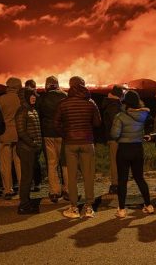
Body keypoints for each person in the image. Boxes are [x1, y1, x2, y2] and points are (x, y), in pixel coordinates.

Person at [54, 76, 101, 219]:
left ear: (70, 86)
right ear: (83, 85)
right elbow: (98, 123)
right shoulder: (90, 102)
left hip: (70, 144)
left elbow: (55, 124)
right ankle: (88, 207)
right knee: (88, 176)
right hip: (87, 142)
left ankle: (74, 208)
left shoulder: (63, 103)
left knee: (72, 177)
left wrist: (66, 133)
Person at [109, 90, 154, 217]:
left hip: (124, 149)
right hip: (138, 149)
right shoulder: (143, 115)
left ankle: (122, 210)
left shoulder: (120, 116)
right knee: (139, 178)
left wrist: (119, 138)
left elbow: (114, 134)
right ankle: (149, 205)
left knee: (122, 180)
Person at [38, 76, 68, 203]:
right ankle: (68, 190)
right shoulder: (65, 96)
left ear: (47, 85)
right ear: (57, 84)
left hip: (48, 134)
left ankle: (54, 192)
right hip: (62, 133)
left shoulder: (42, 98)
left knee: (52, 163)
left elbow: (39, 115)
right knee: (65, 163)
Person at [15, 87, 42, 214]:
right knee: (26, 177)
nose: (34, 97)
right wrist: (33, 144)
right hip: (26, 149)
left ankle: (26, 201)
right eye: (31, 95)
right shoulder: (22, 111)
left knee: (28, 176)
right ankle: (23, 205)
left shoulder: (32, 110)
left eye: (35, 95)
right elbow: (21, 132)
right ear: (25, 97)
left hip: (31, 149)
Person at [0, 77, 22, 199]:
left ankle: (7, 189)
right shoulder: (21, 100)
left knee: (5, 164)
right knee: (19, 163)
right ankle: (23, 187)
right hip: (19, 135)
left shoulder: (0, 100)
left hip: (4, 135)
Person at [99, 85, 125, 195]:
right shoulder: (114, 106)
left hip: (112, 138)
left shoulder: (111, 104)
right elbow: (116, 124)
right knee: (116, 161)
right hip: (115, 139)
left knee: (116, 161)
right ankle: (115, 185)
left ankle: (116, 183)